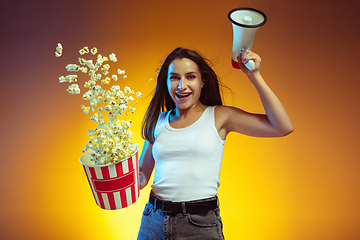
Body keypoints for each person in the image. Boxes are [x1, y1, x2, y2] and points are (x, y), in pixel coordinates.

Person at [137, 47, 293, 239]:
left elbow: (282, 127)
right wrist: (113, 174)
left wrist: (255, 75)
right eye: (174, 77)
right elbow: (142, 175)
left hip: (198, 224)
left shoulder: (219, 116)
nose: (181, 85)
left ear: (202, 81)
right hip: (153, 221)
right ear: (167, 82)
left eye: (190, 77)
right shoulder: (157, 120)